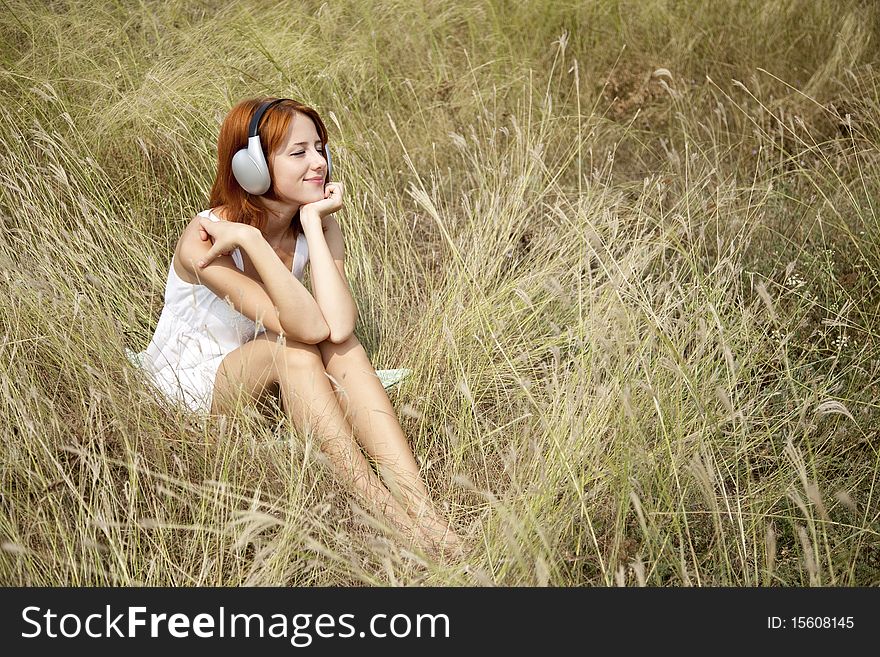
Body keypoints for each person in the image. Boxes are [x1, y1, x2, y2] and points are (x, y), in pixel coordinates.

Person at [142, 96, 462, 559]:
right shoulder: (208, 239)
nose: (318, 163)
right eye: (298, 153)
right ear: (251, 167)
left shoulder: (313, 222)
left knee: (344, 346)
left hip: (269, 367)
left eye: (320, 147)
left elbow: (338, 327)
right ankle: (392, 520)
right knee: (289, 349)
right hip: (194, 385)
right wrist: (251, 239)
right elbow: (303, 327)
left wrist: (314, 223)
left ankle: (428, 516)